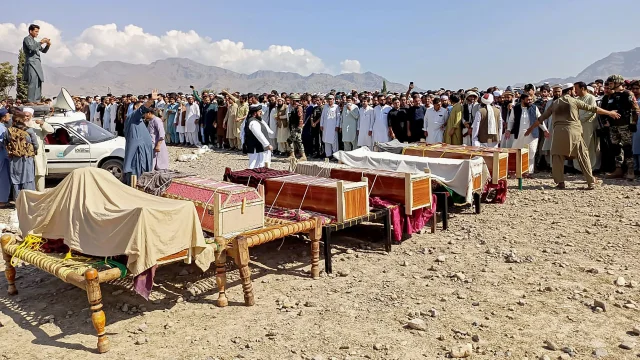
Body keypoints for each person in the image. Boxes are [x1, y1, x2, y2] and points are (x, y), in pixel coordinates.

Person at [525, 83, 621, 190]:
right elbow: (593, 109)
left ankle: (560, 182)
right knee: (583, 155)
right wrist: (609, 113)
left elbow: (541, 118)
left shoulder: (555, 103)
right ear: (570, 91)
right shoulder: (574, 101)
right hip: (574, 132)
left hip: (558, 133)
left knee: (557, 157)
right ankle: (590, 182)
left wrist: (530, 128)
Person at [601, 74, 639, 180]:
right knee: (616, 148)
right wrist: (606, 120)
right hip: (614, 126)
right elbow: (607, 110)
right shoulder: (611, 96)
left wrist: (633, 123)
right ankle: (618, 170)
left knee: (627, 148)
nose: (610, 85)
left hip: (625, 126)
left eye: (612, 83)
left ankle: (630, 171)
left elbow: (635, 110)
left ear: (618, 83)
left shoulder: (628, 94)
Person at [505, 94, 548, 173]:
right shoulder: (516, 109)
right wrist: (508, 130)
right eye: (528, 100)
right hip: (519, 134)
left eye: (531, 99)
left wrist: (545, 130)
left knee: (531, 153)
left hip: (532, 135)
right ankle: (515, 170)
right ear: (522, 100)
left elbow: (540, 120)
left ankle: (528, 172)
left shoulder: (534, 108)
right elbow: (511, 120)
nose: (530, 101)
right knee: (516, 152)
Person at [123, 90, 156, 185]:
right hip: (137, 154)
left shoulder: (139, 120)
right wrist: (150, 100)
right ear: (135, 108)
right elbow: (142, 109)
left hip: (144, 152)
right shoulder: (133, 117)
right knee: (136, 174)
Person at [5, 111, 38, 199]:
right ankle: (29, 200)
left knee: (16, 180)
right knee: (28, 178)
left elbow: (6, 142)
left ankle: (18, 201)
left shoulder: (9, 131)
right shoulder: (29, 130)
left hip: (14, 158)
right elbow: (36, 144)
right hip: (27, 158)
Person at [23, 107, 53, 191]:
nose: (26, 118)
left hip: (38, 155)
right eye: (24, 116)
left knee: (39, 176)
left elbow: (51, 130)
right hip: (25, 155)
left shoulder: (37, 125)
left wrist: (42, 123)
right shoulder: (19, 125)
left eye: (28, 116)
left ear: (31, 116)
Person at [573, 82, 599, 172]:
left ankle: (590, 167)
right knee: (577, 146)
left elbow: (591, 111)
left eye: (576, 88)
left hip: (587, 125)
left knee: (588, 146)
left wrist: (580, 120)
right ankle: (578, 168)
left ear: (582, 88)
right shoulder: (576, 99)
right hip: (577, 126)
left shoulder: (590, 97)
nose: (575, 91)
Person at [22, 24, 51, 103]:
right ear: (30, 31)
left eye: (38, 32)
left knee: (38, 81)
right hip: (31, 62)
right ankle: (30, 100)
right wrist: (41, 42)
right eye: (36, 31)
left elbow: (43, 51)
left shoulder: (35, 42)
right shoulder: (27, 39)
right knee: (33, 81)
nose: (37, 33)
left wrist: (48, 45)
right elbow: (31, 47)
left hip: (37, 63)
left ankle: (37, 100)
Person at [243, 104, 273, 168]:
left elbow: (266, 127)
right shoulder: (253, 122)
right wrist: (267, 144)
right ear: (255, 113)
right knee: (255, 165)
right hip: (256, 148)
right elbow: (259, 134)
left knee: (261, 164)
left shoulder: (257, 120)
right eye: (259, 111)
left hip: (260, 148)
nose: (261, 113)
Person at [286, 94, 307, 160]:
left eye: (291, 100)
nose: (290, 102)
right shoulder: (294, 107)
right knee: (297, 141)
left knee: (291, 140)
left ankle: (301, 155)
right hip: (293, 126)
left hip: (296, 127)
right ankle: (294, 155)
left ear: (294, 101)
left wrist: (299, 127)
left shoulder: (299, 107)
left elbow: (300, 117)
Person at [0, 108, 11, 207]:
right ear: (3, 117)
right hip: (2, 154)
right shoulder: (2, 128)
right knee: (3, 177)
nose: (9, 117)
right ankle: (2, 201)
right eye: (8, 115)